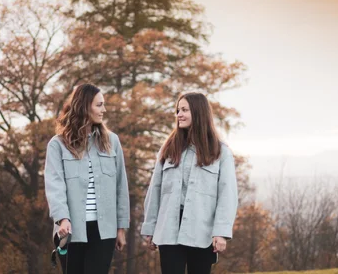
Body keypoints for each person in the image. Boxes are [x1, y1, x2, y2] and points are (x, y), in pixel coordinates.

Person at [141, 92, 238, 274]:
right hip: (168, 231)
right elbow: (155, 189)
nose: (179, 114)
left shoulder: (221, 152)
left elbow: (228, 195)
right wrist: (150, 227)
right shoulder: (168, 148)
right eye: (178, 110)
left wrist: (221, 232)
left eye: (184, 110)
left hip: (202, 232)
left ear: (198, 113)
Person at [44, 83, 130, 274]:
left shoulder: (112, 141)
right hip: (71, 230)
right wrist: (62, 219)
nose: (104, 110)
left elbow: (120, 186)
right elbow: (54, 185)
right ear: (84, 106)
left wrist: (121, 228)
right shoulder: (57, 145)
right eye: (99, 105)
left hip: (104, 231)